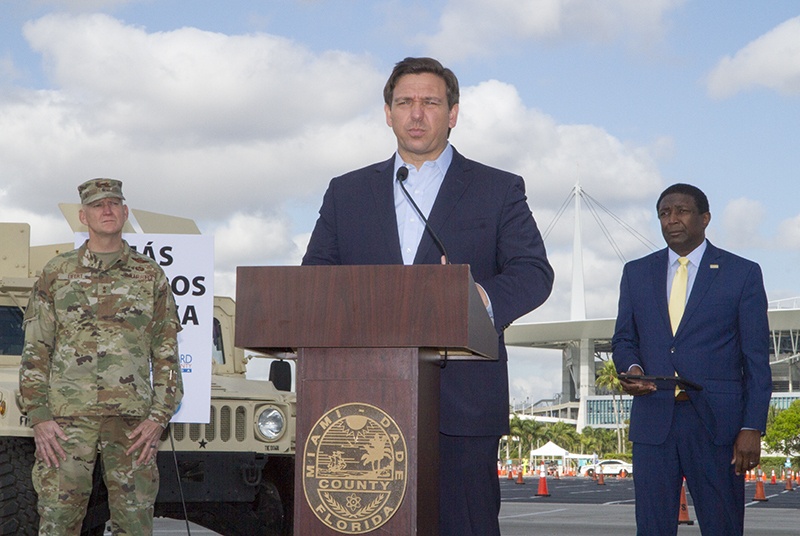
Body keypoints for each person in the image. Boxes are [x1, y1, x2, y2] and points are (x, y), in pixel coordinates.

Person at [303, 57, 554, 535]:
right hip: (361, 404)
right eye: (405, 102)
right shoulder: (346, 192)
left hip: (462, 403)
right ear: (387, 113)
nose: (416, 114)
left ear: (453, 113)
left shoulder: (497, 189)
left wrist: (477, 296)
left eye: (430, 103)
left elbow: (533, 272)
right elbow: (315, 277)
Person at [19, 178, 184, 536]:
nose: (106, 210)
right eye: (97, 205)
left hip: (132, 425)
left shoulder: (150, 275)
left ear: (125, 212)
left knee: (135, 525)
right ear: (84, 216)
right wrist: (39, 416)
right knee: (57, 523)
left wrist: (159, 416)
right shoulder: (56, 273)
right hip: (66, 424)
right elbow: (36, 350)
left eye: (113, 203)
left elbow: (167, 352)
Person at [612, 183, 772, 535]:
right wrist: (633, 368)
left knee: (722, 526)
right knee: (652, 528)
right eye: (664, 213)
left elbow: (756, 360)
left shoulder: (742, 273)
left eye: (681, 211)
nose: (672, 220)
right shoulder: (636, 273)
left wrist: (751, 427)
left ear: (705, 218)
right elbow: (624, 339)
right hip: (654, 423)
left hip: (718, 427)